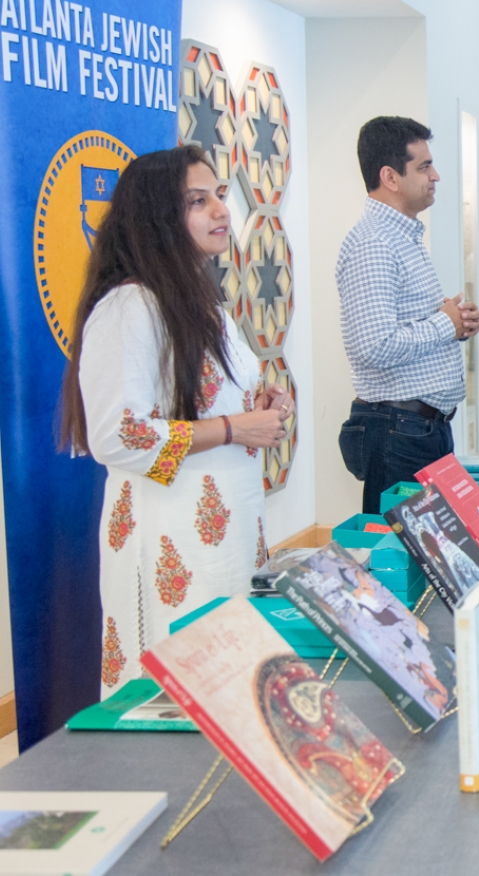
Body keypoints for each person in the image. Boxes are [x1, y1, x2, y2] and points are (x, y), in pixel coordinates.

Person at [59, 144, 291, 693]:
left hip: (226, 532)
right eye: (197, 201)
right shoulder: (129, 308)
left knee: (227, 682)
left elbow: (235, 394)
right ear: (158, 218)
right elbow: (118, 436)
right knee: (174, 691)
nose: (220, 211)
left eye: (219, 196)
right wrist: (236, 429)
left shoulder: (204, 303)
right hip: (166, 536)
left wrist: (267, 401)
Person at [335, 116, 479, 515]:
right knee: (396, 565)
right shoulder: (374, 244)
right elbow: (373, 346)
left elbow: (402, 328)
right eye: (424, 167)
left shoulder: (403, 238)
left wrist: (454, 325)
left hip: (422, 429)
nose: (435, 175)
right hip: (398, 432)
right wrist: (443, 323)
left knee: (429, 562)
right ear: (390, 176)